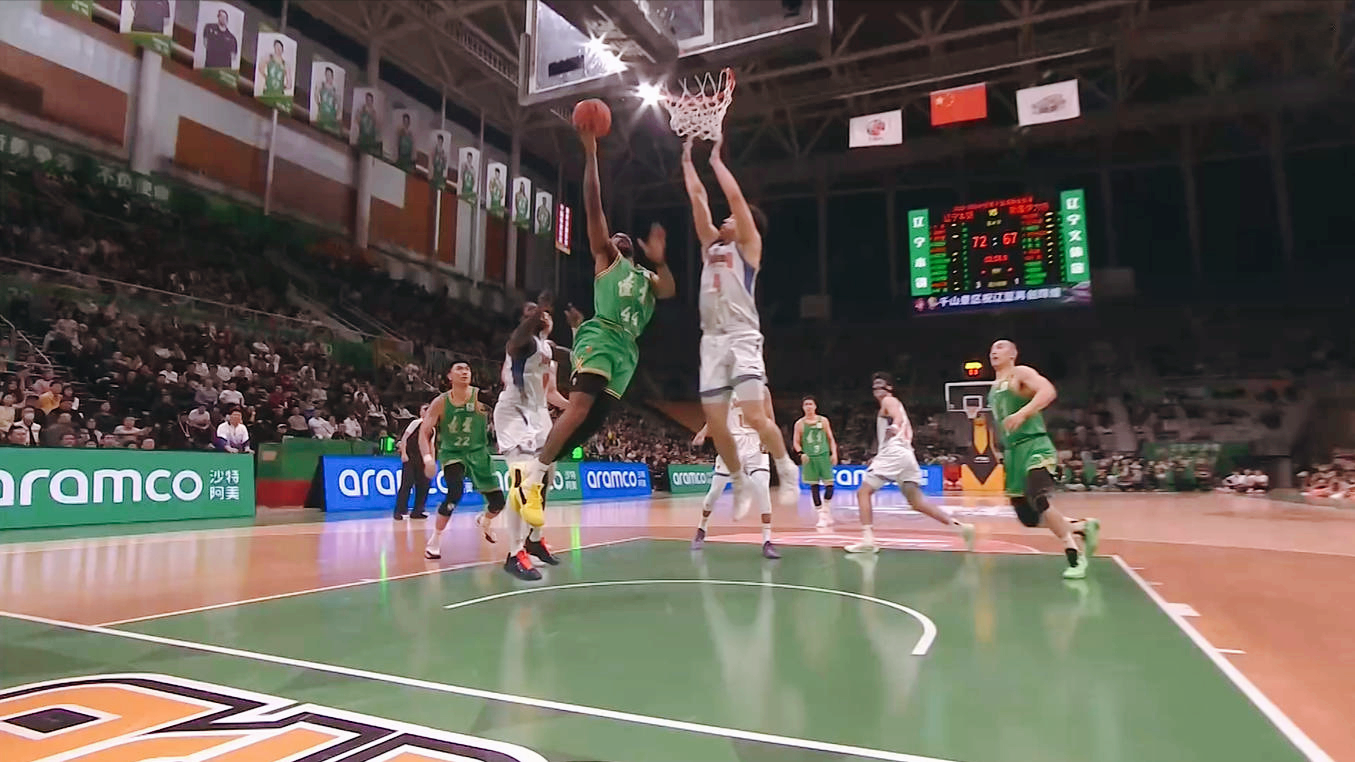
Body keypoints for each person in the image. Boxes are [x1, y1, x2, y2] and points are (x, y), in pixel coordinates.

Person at [514, 110, 677, 515]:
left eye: (623, 236)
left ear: (634, 248)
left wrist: (661, 261)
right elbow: (593, 208)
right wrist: (590, 153)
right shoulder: (608, 260)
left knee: (592, 422)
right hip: (601, 334)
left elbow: (669, 289)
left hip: (628, 350)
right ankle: (533, 476)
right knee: (580, 407)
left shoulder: (646, 277)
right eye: (612, 235)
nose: (616, 237)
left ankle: (539, 471)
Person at [680, 136, 798, 515]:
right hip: (712, 341)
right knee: (717, 424)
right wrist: (687, 162)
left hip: (743, 337)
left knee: (756, 415)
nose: (726, 219)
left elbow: (734, 199)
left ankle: (786, 467)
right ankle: (738, 479)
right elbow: (698, 200)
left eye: (732, 218)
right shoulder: (711, 247)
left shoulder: (748, 248)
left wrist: (716, 162)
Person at [987, 339, 1100, 579]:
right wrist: (998, 448)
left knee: (1038, 496)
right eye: (992, 349)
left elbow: (1048, 391)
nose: (994, 351)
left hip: (1035, 445)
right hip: (1013, 453)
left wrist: (1023, 412)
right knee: (1028, 518)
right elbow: (1000, 422)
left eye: (1000, 347)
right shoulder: (993, 389)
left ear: (1013, 354)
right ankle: (1081, 526)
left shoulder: (1020, 373)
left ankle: (1075, 557)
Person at [846, 373, 975, 554]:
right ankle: (961, 527)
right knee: (916, 502)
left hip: (895, 452)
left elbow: (897, 417)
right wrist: (879, 455)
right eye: (874, 386)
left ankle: (868, 540)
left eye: (880, 384)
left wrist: (895, 426)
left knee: (863, 492)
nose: (877, 389)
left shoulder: (889, 401)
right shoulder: (891, 404)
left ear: (890, 387)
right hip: (906, 454)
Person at [493, 295, 571, 580]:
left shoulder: (549, 349)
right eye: (532, 313)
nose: (542, 316)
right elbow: (520, 337)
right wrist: (537, 312)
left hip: (539, 414)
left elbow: (552, 392)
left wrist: (576, 408)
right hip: (515, 412)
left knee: (546, 477)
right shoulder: (520, 343)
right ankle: (514, 554)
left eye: (545, 313)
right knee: (522, 482)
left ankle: (534, 540)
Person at [418, 362, 510, 566]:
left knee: (498, 503)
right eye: (459, 369)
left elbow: (505, 410)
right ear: (449, 376)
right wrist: (427, 458)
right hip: (453, 454)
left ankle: (485, 520)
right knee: (455, 492)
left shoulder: (481, 397)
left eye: (467, 368)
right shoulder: (440, 402)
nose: (464, 371)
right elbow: (424, 433)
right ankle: (435, 541)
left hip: (478, 454)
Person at [690, 387, 781, 559]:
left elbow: (770, 416)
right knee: (715, 492)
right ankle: (702, 528)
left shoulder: (762, 390)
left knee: (763, 490)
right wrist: (702, 433)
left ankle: (767, 541)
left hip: (755, 445)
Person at [793, 395, 838, 528]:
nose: (808, 407)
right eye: (806, 404)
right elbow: (796, 442)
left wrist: (834, 453)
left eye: (810, 404)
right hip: (810, 457)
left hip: (823, 455)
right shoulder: (799, 424)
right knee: (814, 487)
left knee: (830, 485)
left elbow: (830, 438)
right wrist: (801, 453)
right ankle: (821, 516)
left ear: (815, 406)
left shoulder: (823, 420)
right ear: (803, 407)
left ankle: (826, 510)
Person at [393, 403, 430, 520]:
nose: (426, 412)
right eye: (424, 409)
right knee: (407, 483)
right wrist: (404, 453)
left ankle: (418, 511)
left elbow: (431, 445)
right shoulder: (416, 423)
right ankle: (400, 511)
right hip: (411, 457)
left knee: (424, 485)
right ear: (421, 412)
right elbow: (404, 438)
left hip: (423, 458)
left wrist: (431, 460)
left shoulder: (432, 427)